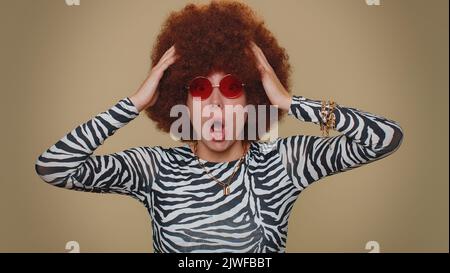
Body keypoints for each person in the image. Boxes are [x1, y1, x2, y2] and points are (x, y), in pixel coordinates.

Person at [35, 0, 404, 253]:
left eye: (231, 87)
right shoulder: (155, 170)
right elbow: (54, 167)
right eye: (198, 88)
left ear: (252, 99)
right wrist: (132, 104)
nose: (214, 103)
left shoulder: (283, 163)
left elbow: (385, 138)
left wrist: (290, 102)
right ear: (182, 101)